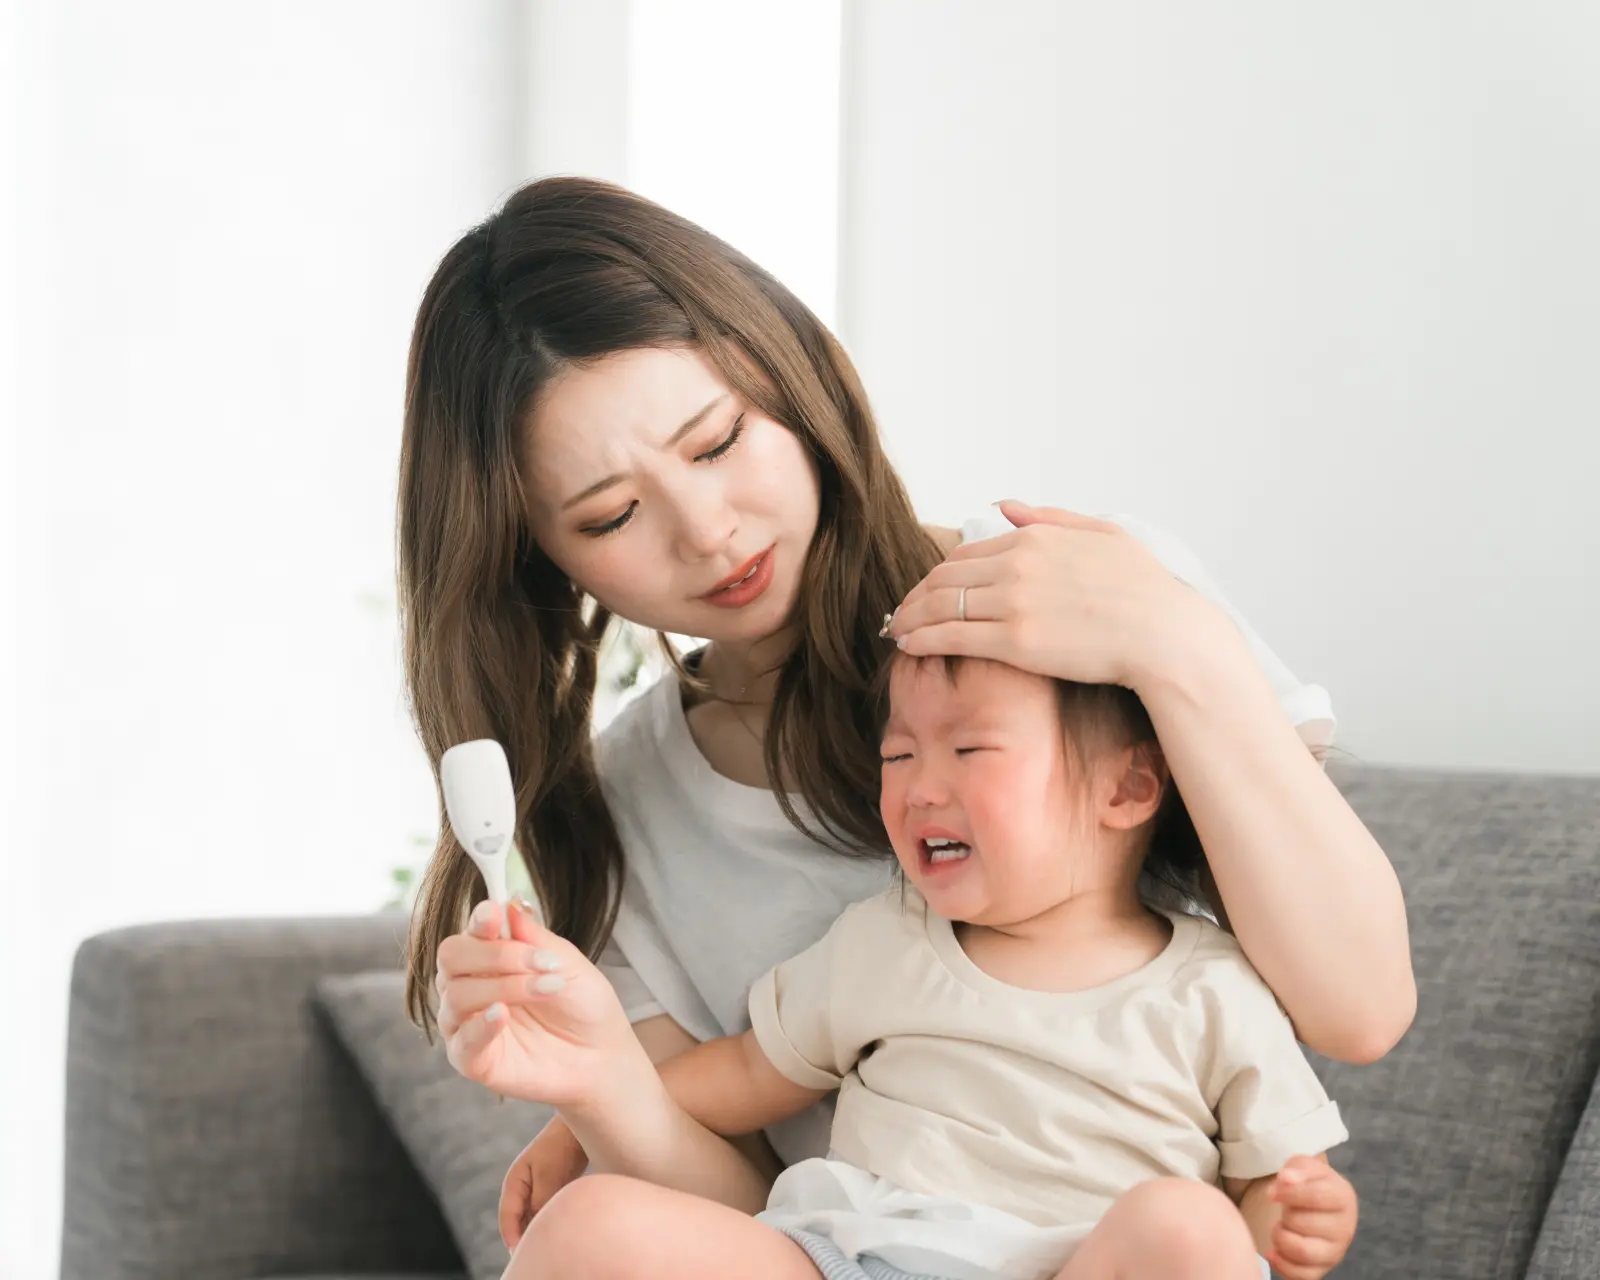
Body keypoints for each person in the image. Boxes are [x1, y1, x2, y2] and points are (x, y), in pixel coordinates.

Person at [403, 176, 1412, 1259]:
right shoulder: (618, 809)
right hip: (871, 1247)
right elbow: (750, 1217)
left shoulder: (1082, 591)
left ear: (784, 372)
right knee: (589, 1224)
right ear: (541, 561)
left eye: (714, 442)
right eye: (611, 514)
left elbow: (1359, 1007)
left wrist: (1174, 644)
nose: (706, 530)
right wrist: (605, 1087)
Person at [470, 649, 1362, 1280]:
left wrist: (1298, 1225)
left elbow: (1266, 1195)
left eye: (968, 749)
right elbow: (746, 1071)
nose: (919, 784)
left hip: (1081, 1264)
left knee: (1191, 1229)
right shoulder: (886, 940)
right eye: (899, 754)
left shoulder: (1213, 988)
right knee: (593, 1224)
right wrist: (576, 1116)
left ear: (1126, 789)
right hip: (852, 1259)